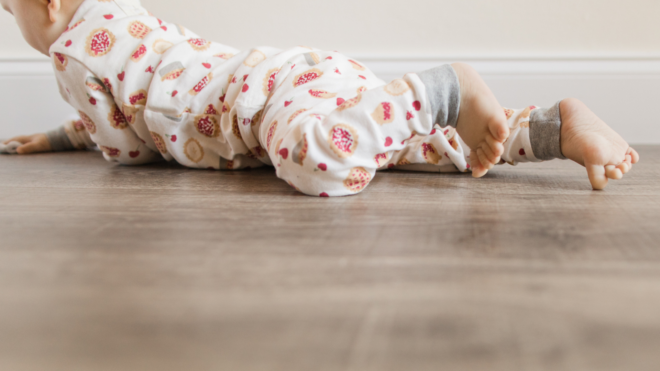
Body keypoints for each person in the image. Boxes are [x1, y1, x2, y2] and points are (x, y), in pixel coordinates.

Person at [0, 0, 639, 196]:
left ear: (48, 6)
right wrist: (60, 135)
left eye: (9, 9)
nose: (14, 22)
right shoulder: (122, 16)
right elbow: (124, 104)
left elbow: (125, 143)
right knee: (413, 145)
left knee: (318, 163)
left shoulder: (71, 52)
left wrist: (85, 136)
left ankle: (442, 87)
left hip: (261, 104)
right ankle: (551, 128)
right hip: (301, 74)